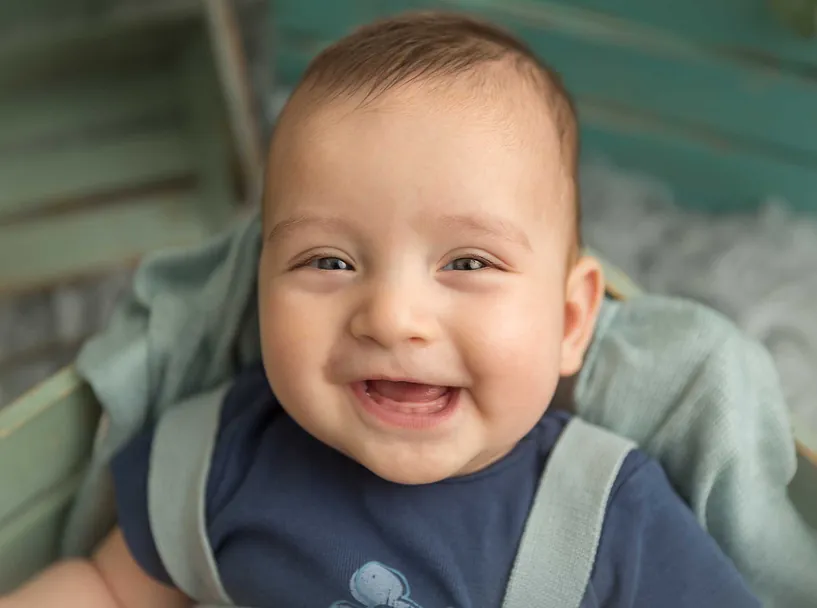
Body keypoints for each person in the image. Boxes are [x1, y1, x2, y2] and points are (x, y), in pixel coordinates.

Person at [1, 12, 760, 607]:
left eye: (466, 262)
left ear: (568, 322)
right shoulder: (225, 452)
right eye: (328, 261)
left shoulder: (601, 514)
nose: (392, 317)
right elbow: (105, 589)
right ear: (256, 285)